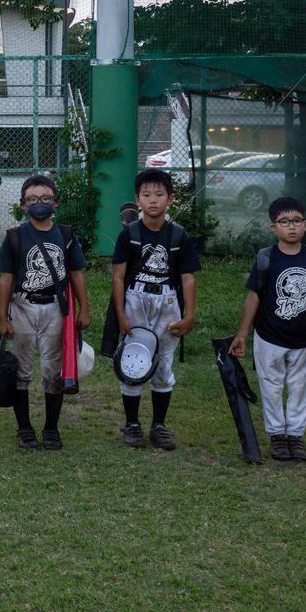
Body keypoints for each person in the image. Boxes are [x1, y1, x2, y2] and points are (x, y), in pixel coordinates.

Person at [229, 197, 306, 463]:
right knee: (271, 387)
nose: (291, 226)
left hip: (304, 339)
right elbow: (253, 297)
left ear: (305, 225)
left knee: (299, 387)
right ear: (273, 227)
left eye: (297, 221)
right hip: (269, 337)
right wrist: (242, 334)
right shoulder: (266, 258)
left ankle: (296, 436)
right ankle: (277, 435)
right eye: (284, 221)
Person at [0, 174, 89, 451]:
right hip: (22, 306)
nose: (40, 203)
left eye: (46, 198)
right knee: (21, 369)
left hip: (56, 309)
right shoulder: (15, 237)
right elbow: (5, 279)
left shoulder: (66, 235)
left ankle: (51, 428)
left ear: (56, 202)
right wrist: (2, 317)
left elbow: (76, 273)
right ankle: (24, 428)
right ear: (23, 205)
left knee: (53, 370)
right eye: (33, 199)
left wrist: (84, 309)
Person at [111, 168, 199, 451]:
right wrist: (121, 315)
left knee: (163, 363)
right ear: (137, 199)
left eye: (159, 194)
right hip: (136, 300)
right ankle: (132, 424)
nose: (153, 200)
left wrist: (189, 316)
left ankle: (159, 425)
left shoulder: (180, 236)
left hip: (167, 302)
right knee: (133, 359)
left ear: (170, 199)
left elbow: (188, 278)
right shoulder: (130, 235)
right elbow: (118, 277)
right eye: (146, 194)